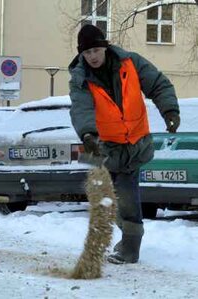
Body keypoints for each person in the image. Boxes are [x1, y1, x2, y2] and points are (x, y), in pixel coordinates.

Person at [68, 24, 180, 264]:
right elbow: (81, 107)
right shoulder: (80, 77)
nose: (93, 57)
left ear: (105, 47)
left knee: (126, 194)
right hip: (100, 146)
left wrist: (169, 110)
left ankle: (130, 248)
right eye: (87, 53)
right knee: (105, 196)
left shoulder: (131, 62)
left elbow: (158, 84)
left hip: (133, 143)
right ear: (81, 54)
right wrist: (87, 135)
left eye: (96, 50)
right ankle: (119, 239)